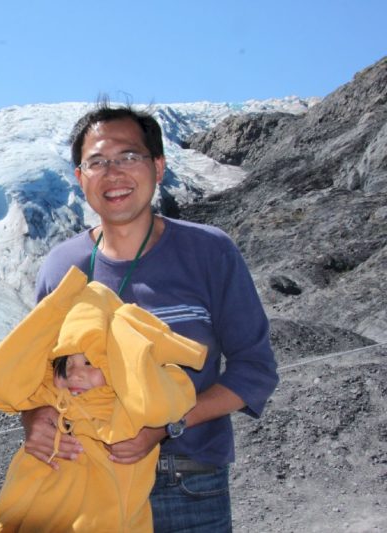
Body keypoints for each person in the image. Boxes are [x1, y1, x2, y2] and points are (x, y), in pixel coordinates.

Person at [25, 103, 280, 531]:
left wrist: (167, 425)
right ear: (79, 178)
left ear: (158, 167)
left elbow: (254, 370)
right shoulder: (60, 267)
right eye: (98, 162)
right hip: (87, 482)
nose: (114, 173)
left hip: (187, 485)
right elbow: (35, 377)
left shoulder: (210, 253)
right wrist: (36, 421)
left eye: (129, 157)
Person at [0, 266, 206, 532]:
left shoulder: (128, 405)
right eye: (65, 364)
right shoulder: (47, 392)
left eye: (91, 362)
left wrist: (129, 343)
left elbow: (166, 398)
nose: (76, 375)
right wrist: (58, 305)